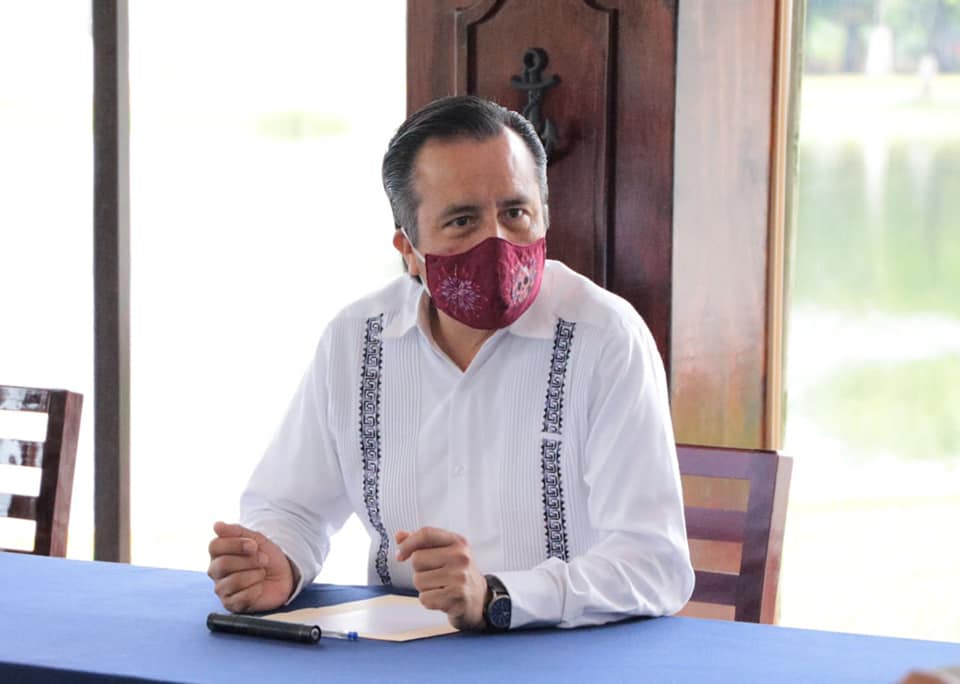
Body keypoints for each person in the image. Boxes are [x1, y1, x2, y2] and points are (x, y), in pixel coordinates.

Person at [207, 95, 694, 631]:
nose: (496, 241)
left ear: (544, 215)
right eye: (463, 220)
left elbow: (655, 563)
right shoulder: (356, 339)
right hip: (394, 656)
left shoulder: (605, 340)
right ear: (409, 250)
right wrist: (277, 561)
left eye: (515, 213)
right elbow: (291, 506)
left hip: (562, 653)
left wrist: (499, 597)